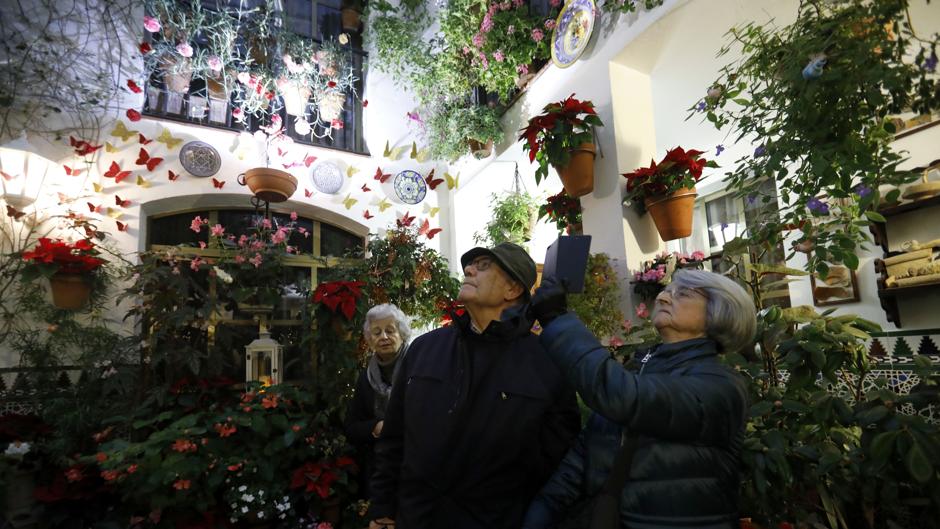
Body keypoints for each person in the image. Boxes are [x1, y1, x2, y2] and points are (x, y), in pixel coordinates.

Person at [368, 242, 581, 529]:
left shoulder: (544, 363)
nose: (468, 269)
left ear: (513, 289)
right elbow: (394, 437)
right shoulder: (424, 349)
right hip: (417, 517)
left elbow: (557, 458)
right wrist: (382, 507)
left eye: (483, 266)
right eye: (471, 264)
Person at [524, 269, 756, 529]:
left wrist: (557, 319)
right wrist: (540, 515)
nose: (664, 297)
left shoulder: (722, 387)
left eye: (684, 293)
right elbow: (582, 458)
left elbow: (626, 397)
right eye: (667, 290)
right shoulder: (638, 370)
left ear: (720, 313)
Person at [345, 303, 412, 499]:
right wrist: (376, 428)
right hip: (380, 469)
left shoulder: (418, 367)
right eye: (376, 332)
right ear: (369, 339)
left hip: (416, 464)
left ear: (402, 334)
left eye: (390, 330)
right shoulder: (366, 377)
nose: (383, 337)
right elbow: (351, 427)